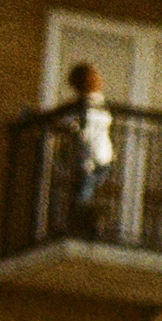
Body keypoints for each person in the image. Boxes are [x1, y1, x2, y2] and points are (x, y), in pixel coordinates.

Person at [53, 60, 116, 235]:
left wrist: (63, 123)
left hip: (90, 157)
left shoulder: (83, 105)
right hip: (104, 156)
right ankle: (87, 225)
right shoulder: (100, 103)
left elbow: (71, 125)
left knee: (82, 195)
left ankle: (78, 228)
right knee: (84, 192)